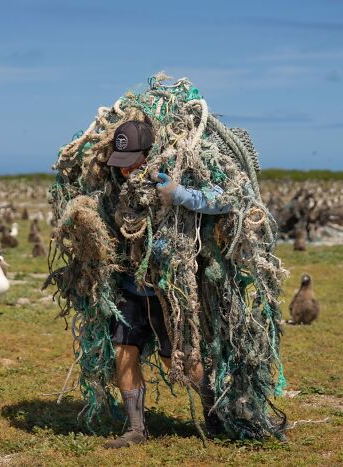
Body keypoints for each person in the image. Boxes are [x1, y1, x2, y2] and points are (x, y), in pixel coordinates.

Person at [102, 120, 232, 449]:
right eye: (121, 164)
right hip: (131, 287)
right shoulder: (115, 187)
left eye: (133, 162)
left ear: (149, 154)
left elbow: (226, 198)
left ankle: (215, 415)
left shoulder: (180, 172)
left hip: (168, 287)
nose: (127, 171)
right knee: (124, 351)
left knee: (177, 359)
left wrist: (180, 195)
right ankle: (135, 428)